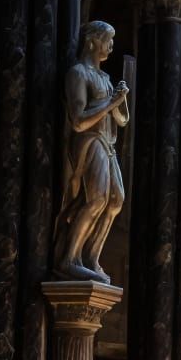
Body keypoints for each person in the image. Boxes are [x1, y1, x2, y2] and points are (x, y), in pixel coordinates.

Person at [53, 20, 129, 283]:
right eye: (107, 39)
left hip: (108, 143)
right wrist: (110, 102)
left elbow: (121, 120)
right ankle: (69, 259)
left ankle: (91, 257)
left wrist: (119, 101)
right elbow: (78, 121)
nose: (111, 46)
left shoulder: (105, 78)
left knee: (116, 200)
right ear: (91, 41)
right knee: (95, 199)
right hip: (90, 141)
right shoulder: (78, 73)